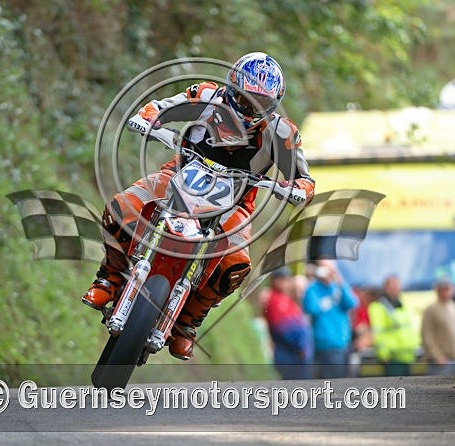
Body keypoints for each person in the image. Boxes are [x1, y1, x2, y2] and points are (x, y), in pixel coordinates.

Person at [82, 52, 315, 360]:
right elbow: (162, 107)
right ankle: (109, 278)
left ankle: (186, 324)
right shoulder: (206, 95)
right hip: (178, 172)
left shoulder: (283, 132)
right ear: (232, 88)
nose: (249, 109)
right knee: (121, 207)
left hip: (236, 200)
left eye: (258, 104)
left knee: (236, 263)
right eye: (244, 100)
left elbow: (305, 179)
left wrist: (295, 189)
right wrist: (148, 117)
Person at [302, 260, 358, 379]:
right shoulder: (313, 288)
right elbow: (311, 308)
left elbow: (352, 303)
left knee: (346, 380)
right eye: (322, 267)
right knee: (331, 382)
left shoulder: (338, 286)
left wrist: (339, 281)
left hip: (344, 343)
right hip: (326, 344)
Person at [263, 268, 313, 380]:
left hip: (296, 355)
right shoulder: (275, 300)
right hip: (289, 355)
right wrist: (300, 346)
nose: (286, 282)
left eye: (286, 279)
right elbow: (283, 329)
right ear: (275, 280)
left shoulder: (285, 298)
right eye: (283, 279)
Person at [368, 275, 420, 376]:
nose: (397, 288)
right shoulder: (379, 307)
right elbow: (378, 333)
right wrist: (384, 355)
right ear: (386, 288)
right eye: (393, 286)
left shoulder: (401, 306)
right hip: (392, 359)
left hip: (407, 357)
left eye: (398, 285)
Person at [421, 277, 455, 375]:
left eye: (448, 288)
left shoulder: (454, 306)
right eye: (444, 289)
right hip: (441, 360)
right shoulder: (431, 309)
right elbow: (426, 335)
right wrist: (437, 356)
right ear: (438, 290)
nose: (447, 292)